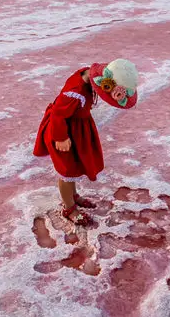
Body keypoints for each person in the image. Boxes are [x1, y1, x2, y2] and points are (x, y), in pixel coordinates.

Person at [33, 59, 139, 225]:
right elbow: (57, 115)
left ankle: (73, 196)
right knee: (66, 171)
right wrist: (61, 137)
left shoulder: (86, 74)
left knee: (74, 166)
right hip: (64, 131)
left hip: (77, 127)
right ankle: (69, 208)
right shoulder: (76, 93)